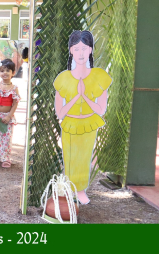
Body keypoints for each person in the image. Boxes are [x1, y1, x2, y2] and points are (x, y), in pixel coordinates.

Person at [54, 31, 111, 205]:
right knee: (69, 157)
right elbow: (60, 113)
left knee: (85, 157)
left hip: (89, 123)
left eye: (84, 49)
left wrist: (85, 97)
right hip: (69, 123)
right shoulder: (63, 78)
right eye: (76, 49)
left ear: (91, 51)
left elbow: (101, 109)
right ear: (71, 50)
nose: (80, 53)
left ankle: (80, 190)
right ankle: (68, 189)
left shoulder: (99, 76)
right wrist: (74, 99)